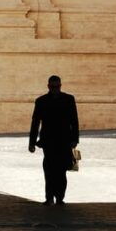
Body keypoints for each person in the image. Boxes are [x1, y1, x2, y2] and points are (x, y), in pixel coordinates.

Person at [29, 75, 79, 205]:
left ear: (60, 86)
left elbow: (74, 120)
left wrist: (75, 139)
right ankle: (49, 197)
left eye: (57, 87)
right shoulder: (41, 101)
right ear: (48, 87)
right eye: (52, 87)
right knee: (49, 169)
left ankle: (60, 197)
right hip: (49, 141)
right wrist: (32, 142)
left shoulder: (69, 99)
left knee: (61, 170)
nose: (55, 89)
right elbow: (35, 123)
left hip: (64, 140)